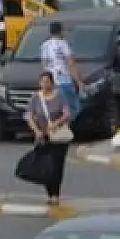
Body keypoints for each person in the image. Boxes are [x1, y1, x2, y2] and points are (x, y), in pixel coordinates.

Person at [26, 72, 73, 205]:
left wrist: (56, 123)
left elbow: (67, 113)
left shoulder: (60, 96)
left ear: (52, 83)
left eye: (47, 81)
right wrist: (36, 131)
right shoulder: (35, 98)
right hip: (43, 136)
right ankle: (49, 192)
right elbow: (29, 116)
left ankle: (55, 194)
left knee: (57, 165)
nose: (45, 84)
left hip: (58, 136)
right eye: (43, 81)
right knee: (46, 164)